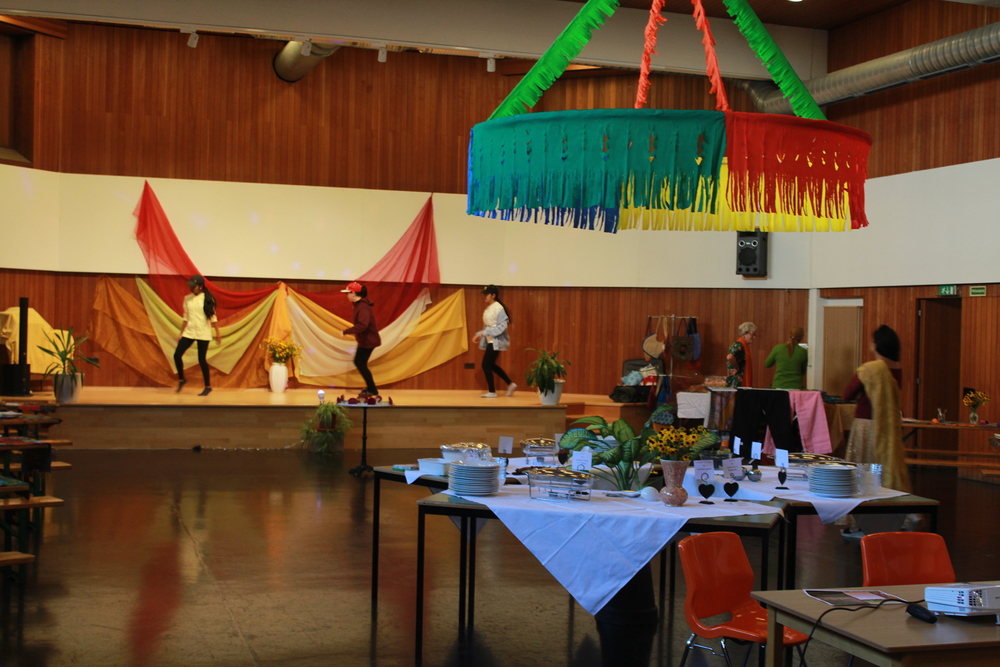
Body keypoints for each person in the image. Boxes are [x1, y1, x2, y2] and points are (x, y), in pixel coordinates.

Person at [840, 324, 913, 537]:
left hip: (866, 427)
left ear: (877, 344)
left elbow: (847, 394)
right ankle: (890, 519)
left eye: (872, 341)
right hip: (888, 428)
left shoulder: (870, 369)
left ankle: (858, 524)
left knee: (861, 475)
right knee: (884, 475)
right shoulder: (896, 368)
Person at [174, 274, 221, 396]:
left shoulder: (208, 298)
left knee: (201, 360)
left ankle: (208, 386)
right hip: (189, 332)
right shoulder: (187, 299)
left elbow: (213, 317)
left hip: (203, 333)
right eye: (191, 286)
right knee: (177, 355)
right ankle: (181, 379)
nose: (191, 288)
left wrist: (218, 333)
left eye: (193, 286)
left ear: (200, 286)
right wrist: (181, 333)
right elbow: (186, 317)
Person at [472, 285, 516, 398]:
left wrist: (484, 333)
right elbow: (487, 326)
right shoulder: (490, 308)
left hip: (496, 341)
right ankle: (510, 384)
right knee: (490, 365)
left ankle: (492, 391)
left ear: (493, 295)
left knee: (486, 365)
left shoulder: (498, 308)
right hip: (490, 340)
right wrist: (479, 334)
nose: (485, 297)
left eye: (487, 294)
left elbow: (501, 327)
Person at [341, 281, 381, 398]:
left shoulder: (362, 307)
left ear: (353, 293)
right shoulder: (360, 305)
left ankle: (372, 389)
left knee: (359, 362)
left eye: (347, 293)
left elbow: (363, 325)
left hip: (368, 341)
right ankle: (371, 388)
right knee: (360, 362)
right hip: (366, 340)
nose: (346, 295)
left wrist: (346, 331)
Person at [725, 322, 757, 388]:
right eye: (752, 334)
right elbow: (730, 357)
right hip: (737, 384)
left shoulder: (742, 345)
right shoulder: (739, 345)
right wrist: (736, 367)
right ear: (744, 333)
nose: (754, 337)